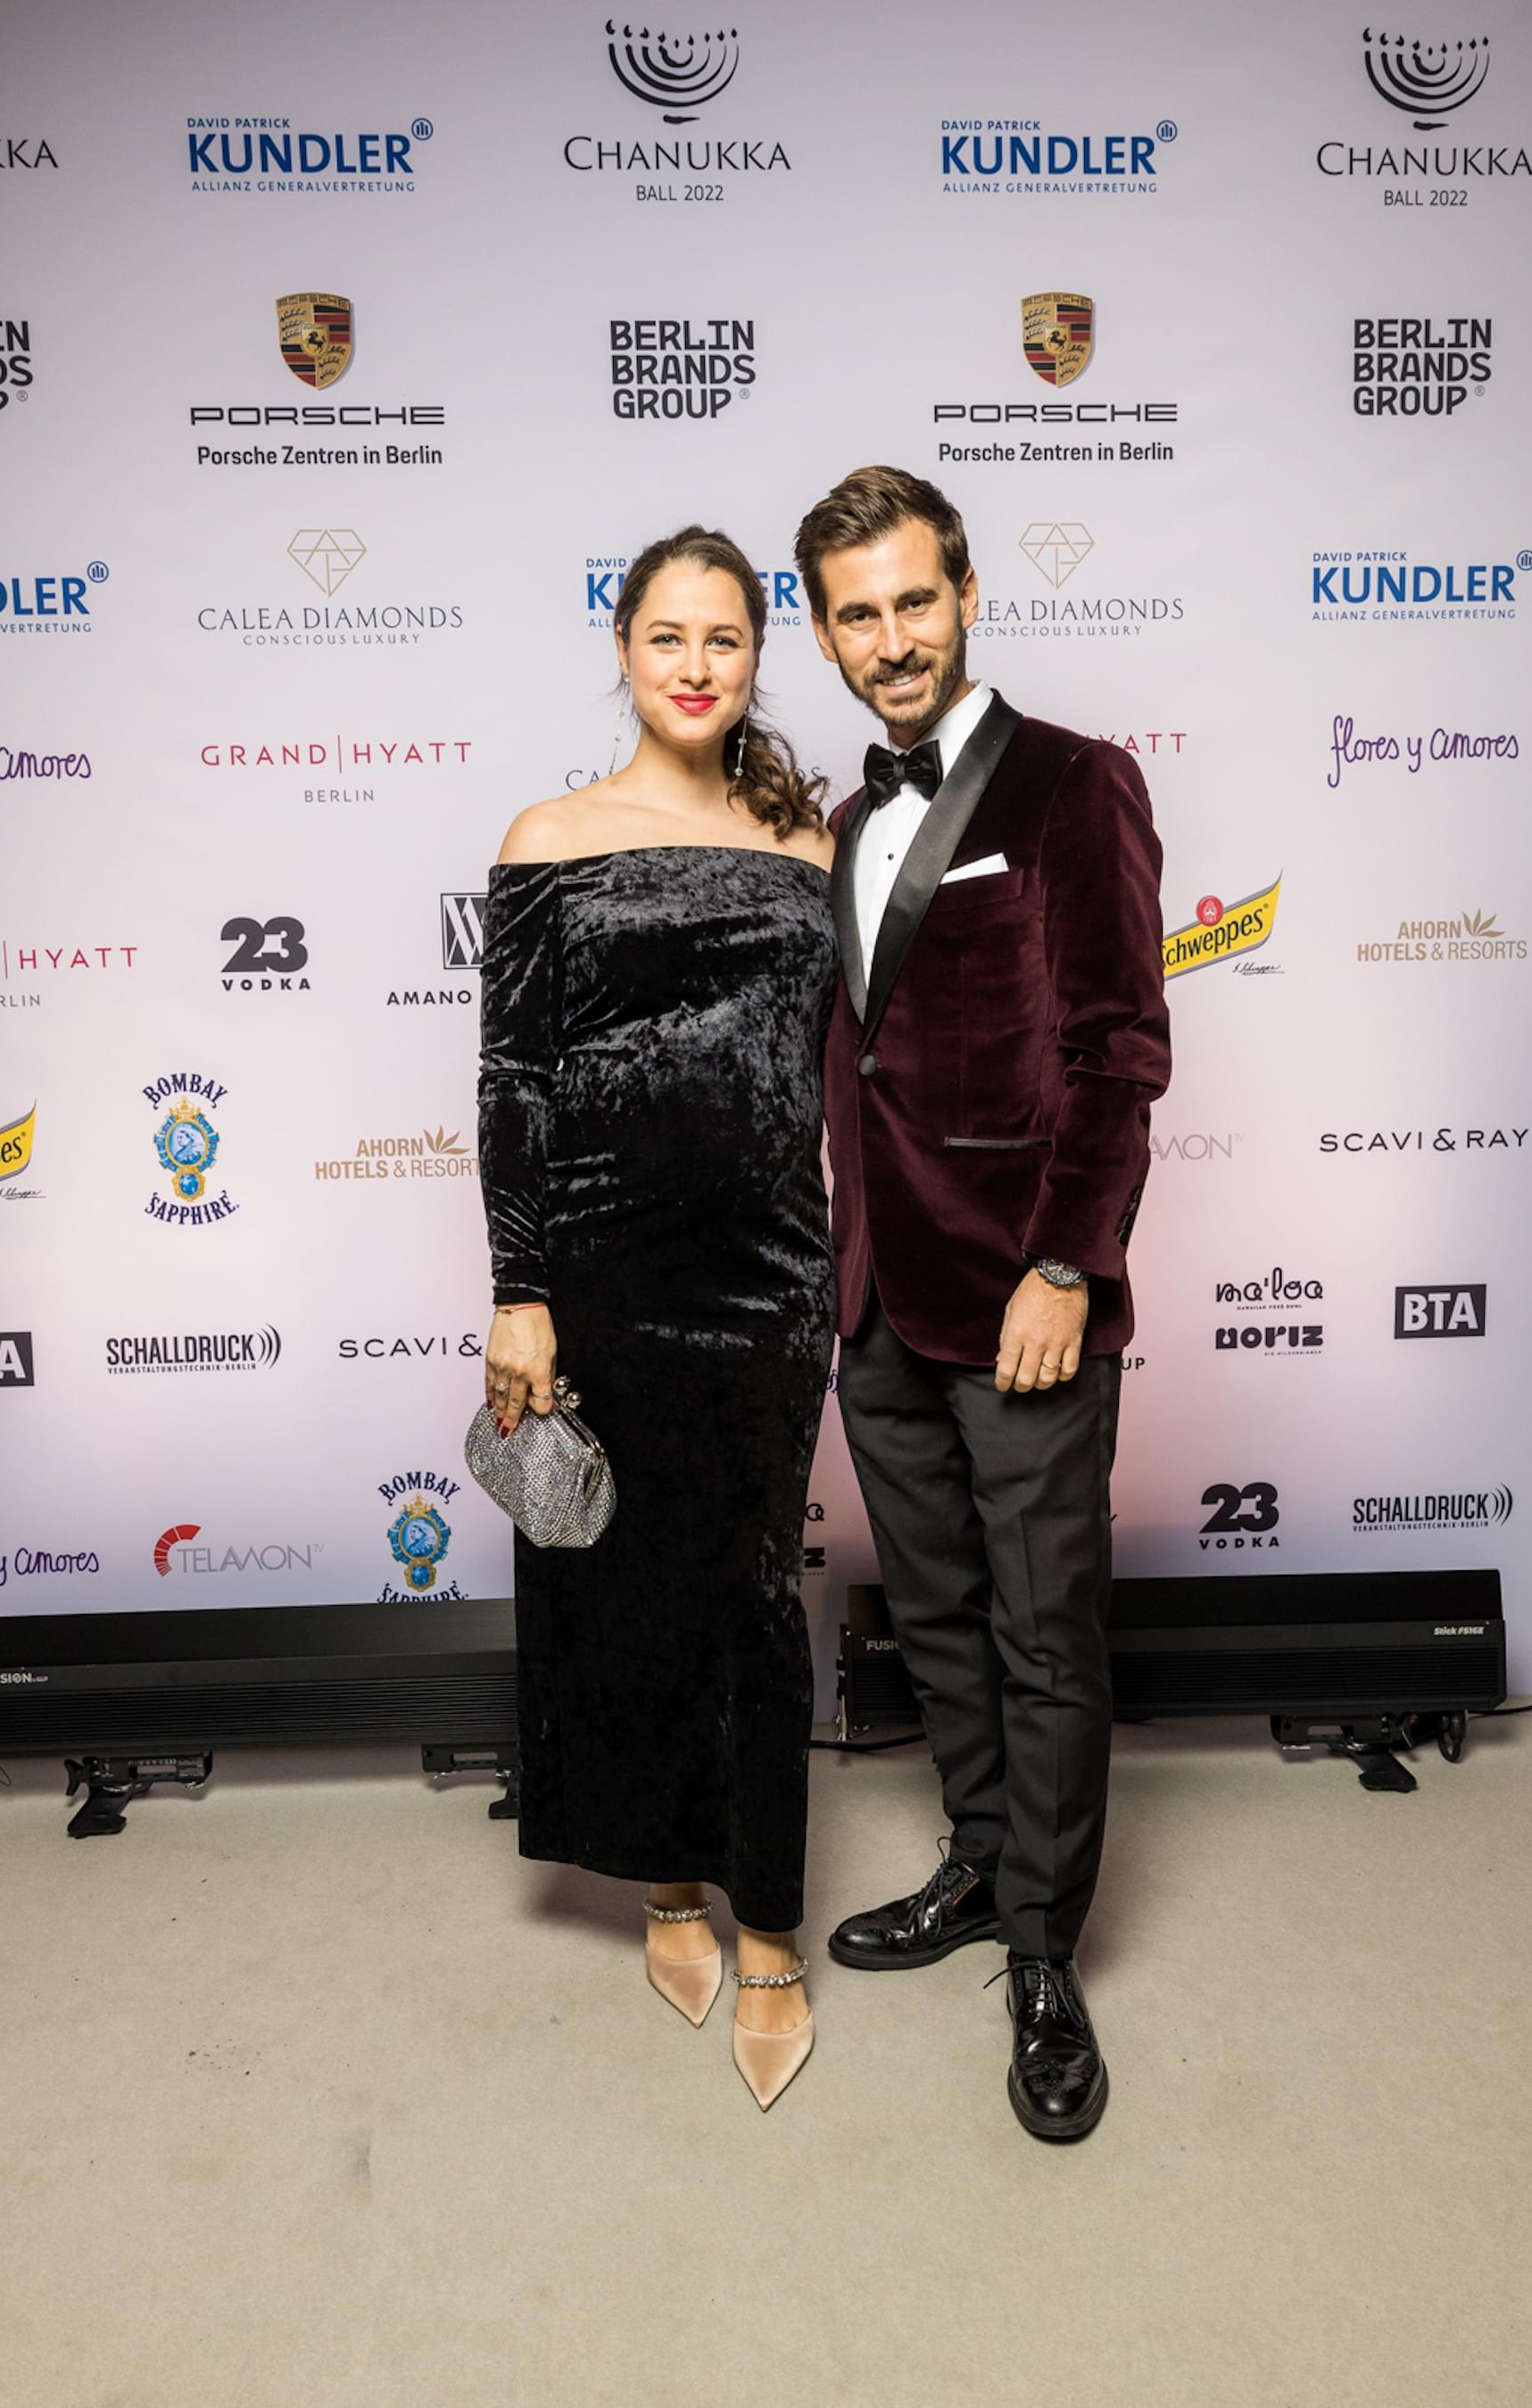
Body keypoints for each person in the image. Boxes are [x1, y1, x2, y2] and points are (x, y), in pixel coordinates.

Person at [793, 466, 1170, 2140]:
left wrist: (1068, 1266)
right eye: (857, 614)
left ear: (965, 596)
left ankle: (1041, 1952)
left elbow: (1118, 1052)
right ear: (825, 635)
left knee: (1042, 1631)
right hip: (876, 1293)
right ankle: (979, 1857)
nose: (892, 640)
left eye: (913, 601)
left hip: (1023, 1294)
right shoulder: (846, 818)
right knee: (938, 1618)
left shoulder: (1077, 782)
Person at [476, 525, 836, 2110]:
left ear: (758, 658)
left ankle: (773, 1926)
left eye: (726, 639)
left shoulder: (810, 843)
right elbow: (513, 1086)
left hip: (770, 1271)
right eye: (668, 637)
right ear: (622, 648)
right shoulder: (549, 836)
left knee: (753, 1593)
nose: (696, 666)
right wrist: (520, 1291)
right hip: (605, 1271)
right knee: (629, 1587)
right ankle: (672, 1885)